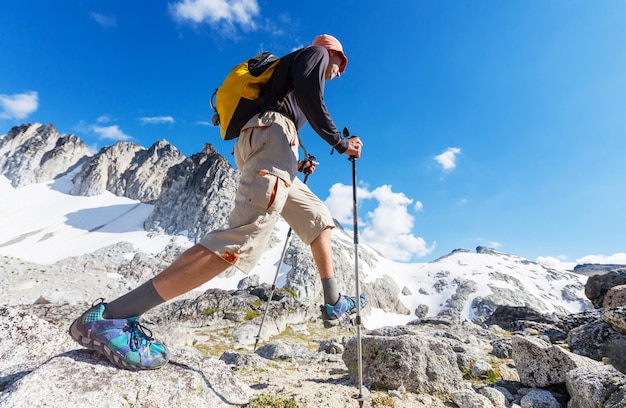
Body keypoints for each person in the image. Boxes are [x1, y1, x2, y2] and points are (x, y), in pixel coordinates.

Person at [69, 34, 366, 371]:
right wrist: (340, 143)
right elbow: (308, 101)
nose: (340, 72)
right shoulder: (315, 55)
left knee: (318, 218)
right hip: (271, 138)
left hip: (273, 143)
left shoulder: (291, 78)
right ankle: (112, 317)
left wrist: (297, 161)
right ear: (333, 53)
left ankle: (333, 302)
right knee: (242, 240)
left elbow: (285, 112)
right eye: (342, 63)